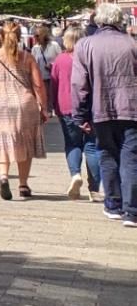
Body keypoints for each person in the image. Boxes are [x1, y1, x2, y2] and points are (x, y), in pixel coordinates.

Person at [72, 2, 137, 226]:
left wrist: (79, 115)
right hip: (131, 109)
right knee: (131, 158)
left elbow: (79, 84)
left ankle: (113, 204)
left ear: (98, 20)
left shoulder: (85, 45)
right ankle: (132, 210)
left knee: (107, 154)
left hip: (100, 109)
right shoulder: (132, 44)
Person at [0, 19, 49, 201]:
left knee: (1, 140)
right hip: (23, 103)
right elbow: (38, 85)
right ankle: (23, 185)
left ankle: (3, 176)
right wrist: (44, 107)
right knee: (25, 142)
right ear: (20, 37)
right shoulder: (27, 57)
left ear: (0, 36)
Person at [49, 27, 100, 202]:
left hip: (67, 108)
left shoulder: (60, 60)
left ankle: (75, 174)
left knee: (73, 144)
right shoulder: (91, 58)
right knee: (92, 146)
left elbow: (54, 86)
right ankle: (94, 189)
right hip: (91, 107)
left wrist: (54, 106)